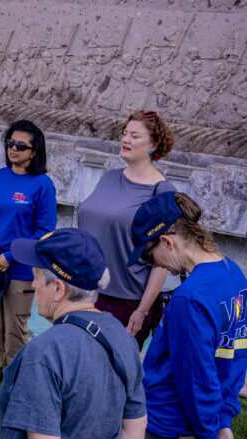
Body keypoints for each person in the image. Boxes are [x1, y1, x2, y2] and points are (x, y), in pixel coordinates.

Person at [0, 228, 147, 439]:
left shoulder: (44, 353)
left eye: (37, 277)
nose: (34, 286)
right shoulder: (124, 339)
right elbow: (135, 425)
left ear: (58, 289)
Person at [122, 192, 247, 439]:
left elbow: (196, 378)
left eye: (150, 256)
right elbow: (236, 357)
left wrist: (210, 433)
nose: (155, 266)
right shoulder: (235, 275)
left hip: (165, 433)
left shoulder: (189, 299)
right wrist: (221, 423)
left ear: (167, 242)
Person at [78, 110, 176, 347]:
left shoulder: (161, 192)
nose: (125, 140)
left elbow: (163, 260)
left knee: (114, 375)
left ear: (153, 145)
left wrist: (142, 310)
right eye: (124, 134)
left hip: (124, 302)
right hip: (84, 291)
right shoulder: (109, 177)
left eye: (134, 136)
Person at [0, 120, 57, 389]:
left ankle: (16, 377)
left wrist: (11, 256)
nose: (14, 149)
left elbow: (45, 231)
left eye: (21, 145)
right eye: (10, 143)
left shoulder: (43, 185)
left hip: (20, 270)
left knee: (16, 328)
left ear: (34, 152)